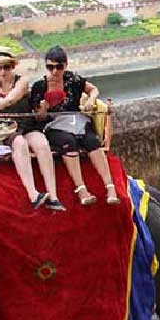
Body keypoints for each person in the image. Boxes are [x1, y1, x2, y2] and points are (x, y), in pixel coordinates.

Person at [0, 47, 65, 210]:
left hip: (26, 123)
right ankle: (33, 194)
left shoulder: (22, 81)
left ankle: (53, 196)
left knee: (42, 144)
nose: (2, 72)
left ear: (12, 66)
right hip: (5, 127)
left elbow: (9, 100)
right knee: (19, 143)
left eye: (6, 67)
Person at [30, 46, 119, 205]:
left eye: (59, 67)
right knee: (68, 142)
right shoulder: (39, 86)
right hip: (54, 124)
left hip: (76, 120)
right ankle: (81, 190)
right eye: (50, 67)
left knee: (92, 141)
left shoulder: (73, 79)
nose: (55, 71)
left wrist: (91, 100)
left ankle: (110, 187)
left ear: (65, 65)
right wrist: (44, 108)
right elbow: (38, 117)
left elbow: (93, 89)